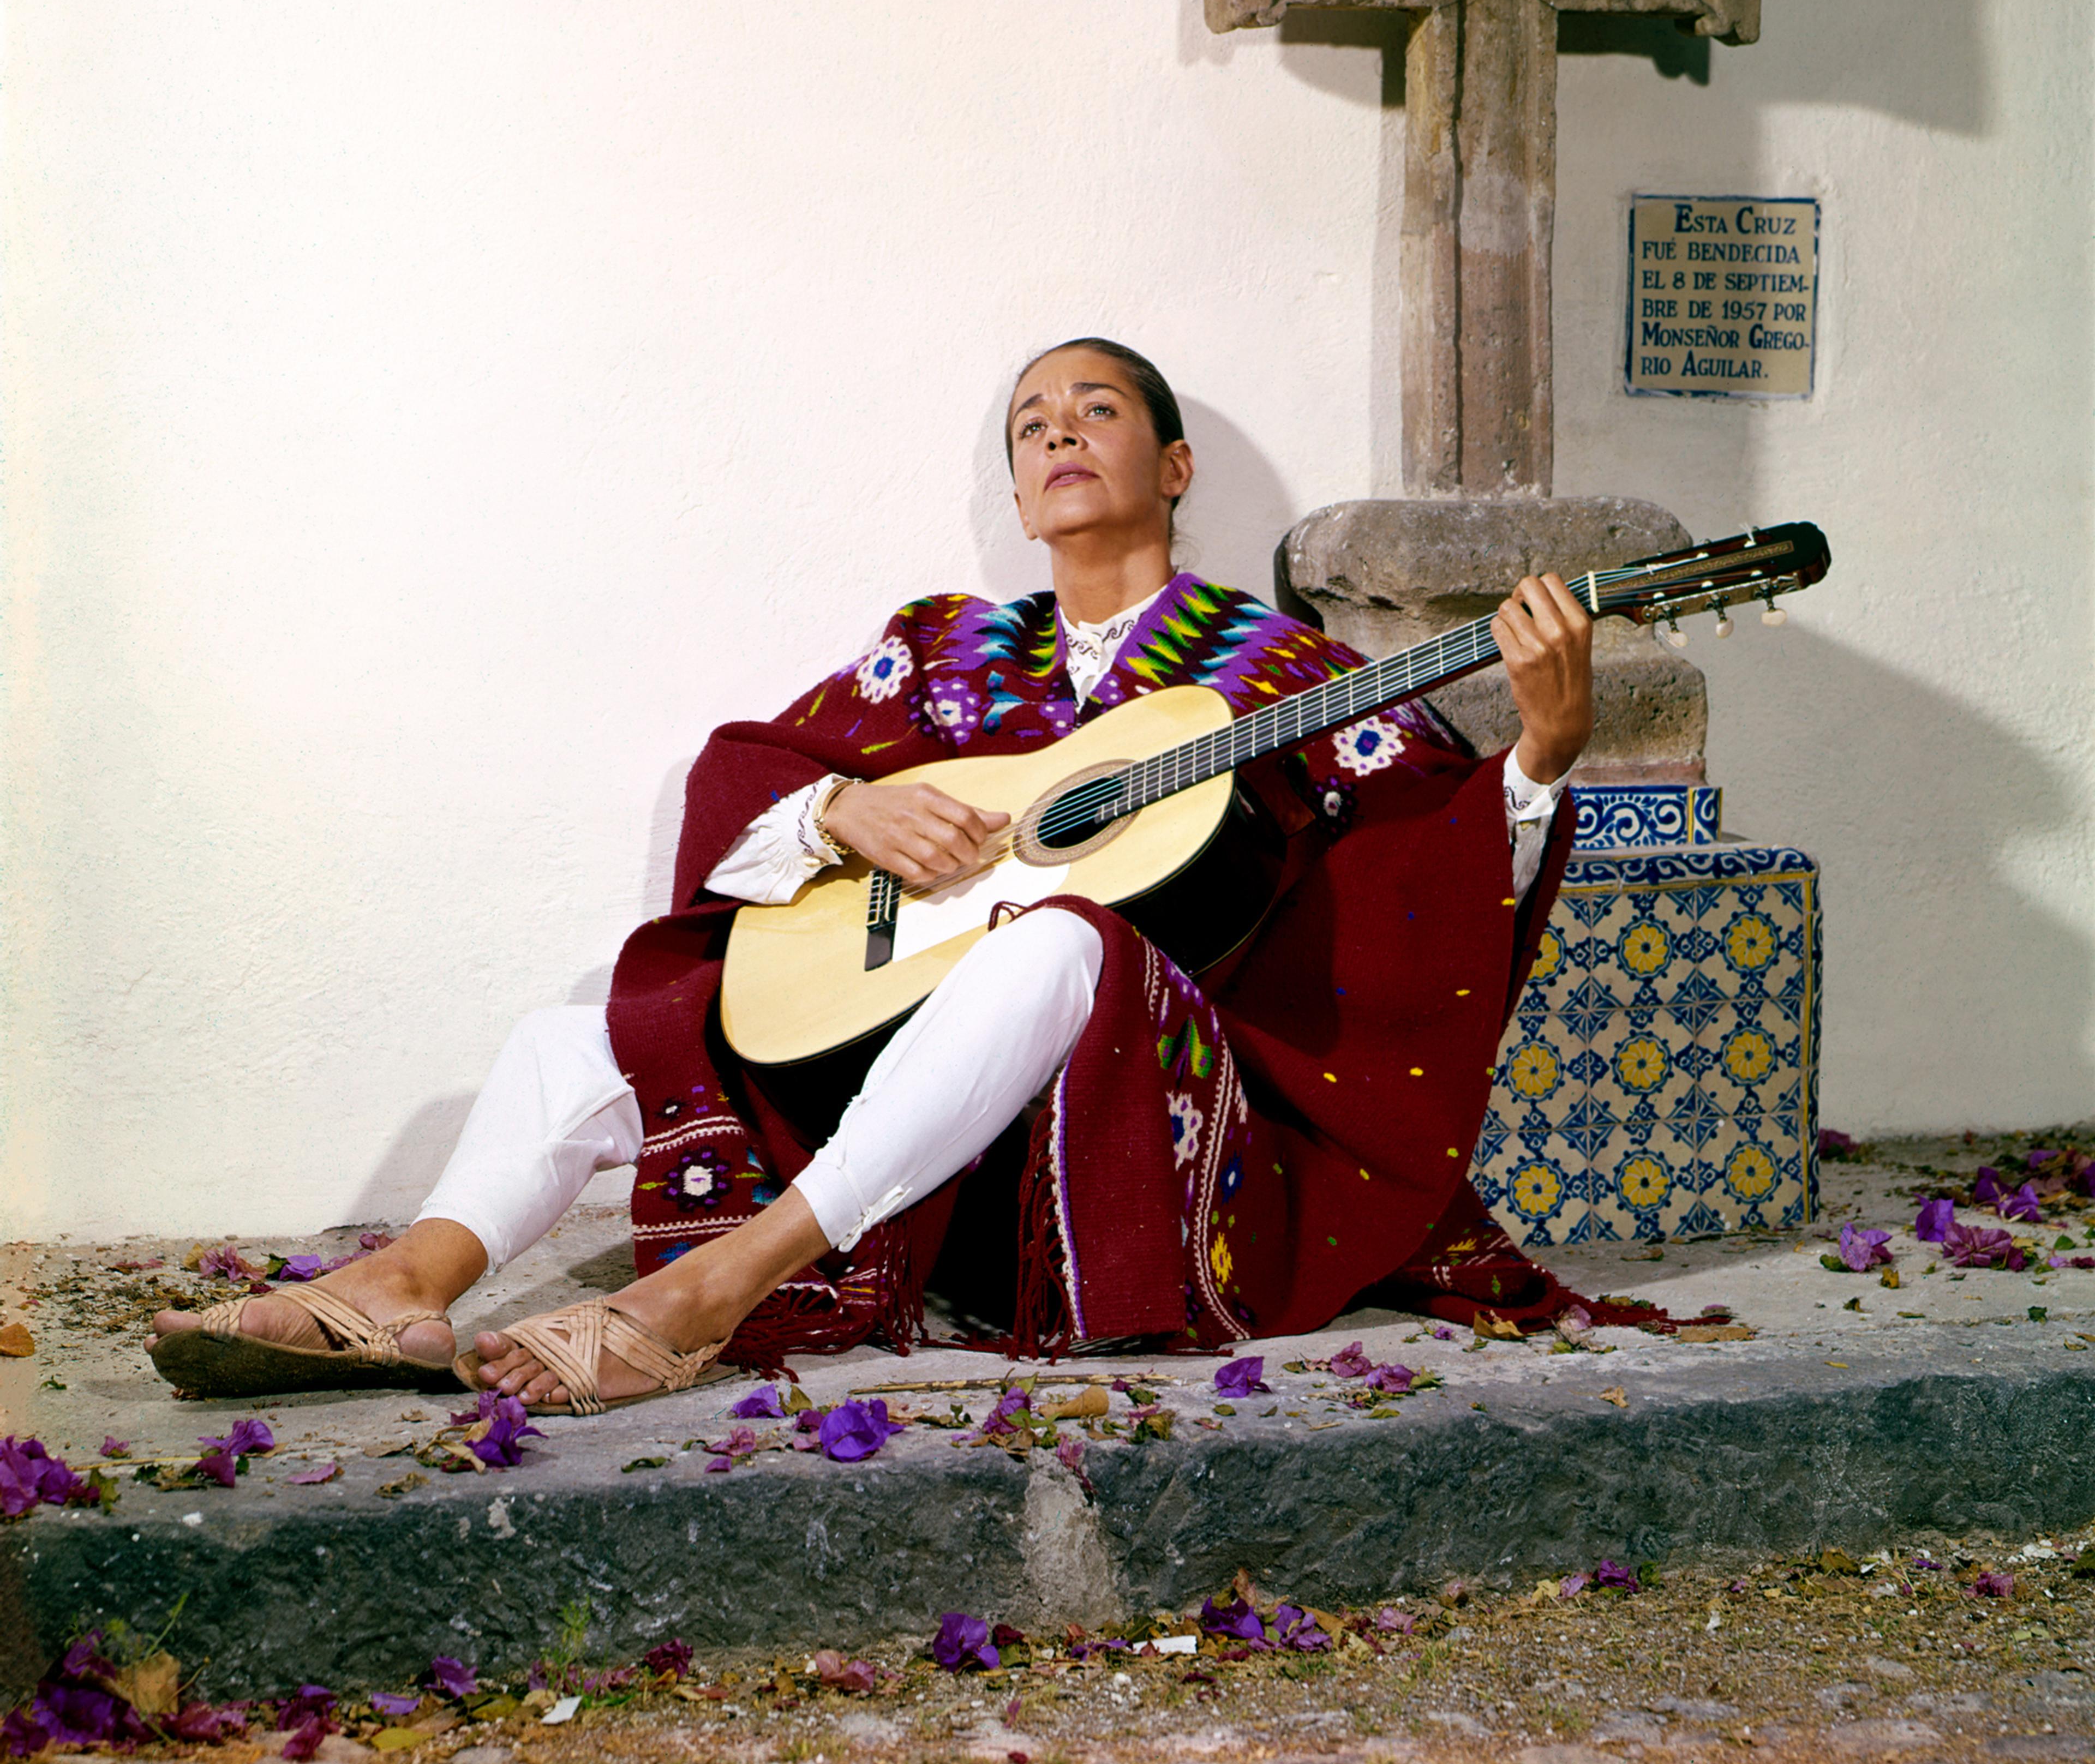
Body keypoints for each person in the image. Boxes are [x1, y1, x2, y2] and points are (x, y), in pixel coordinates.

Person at [151, 338, 1593, 1414]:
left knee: (1059, 936)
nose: (1059, 435)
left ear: (1174, 464)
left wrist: (1539, 751)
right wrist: (847, 809)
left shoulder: (1277, 673)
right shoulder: (949, 645)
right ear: (1018, 492)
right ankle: (411, 1282)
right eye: (1031, 424)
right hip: (900, 1077)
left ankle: (720, 1287)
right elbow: (754, 780)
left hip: (1115, 1116)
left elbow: (1416, 870)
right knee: (585, 1029)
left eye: (1097, 409)